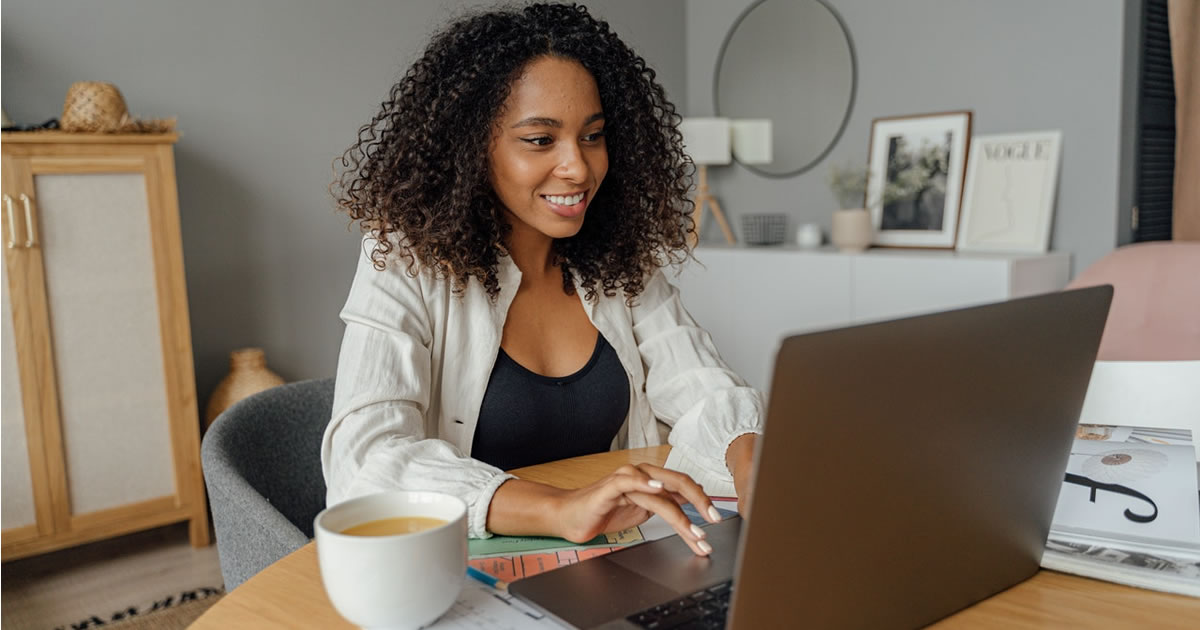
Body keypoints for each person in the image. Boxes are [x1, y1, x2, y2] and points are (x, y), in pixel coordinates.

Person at [323, 2, 763, 557]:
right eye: (539, 140)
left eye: (593, 136)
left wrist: (756, 477)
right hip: (459, 567)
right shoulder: (406, 258)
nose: (578, 168)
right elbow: (364, 459)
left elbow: (703, 387)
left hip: (615, 554)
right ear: (472, 148)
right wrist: (560, 509)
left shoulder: (617, 259)